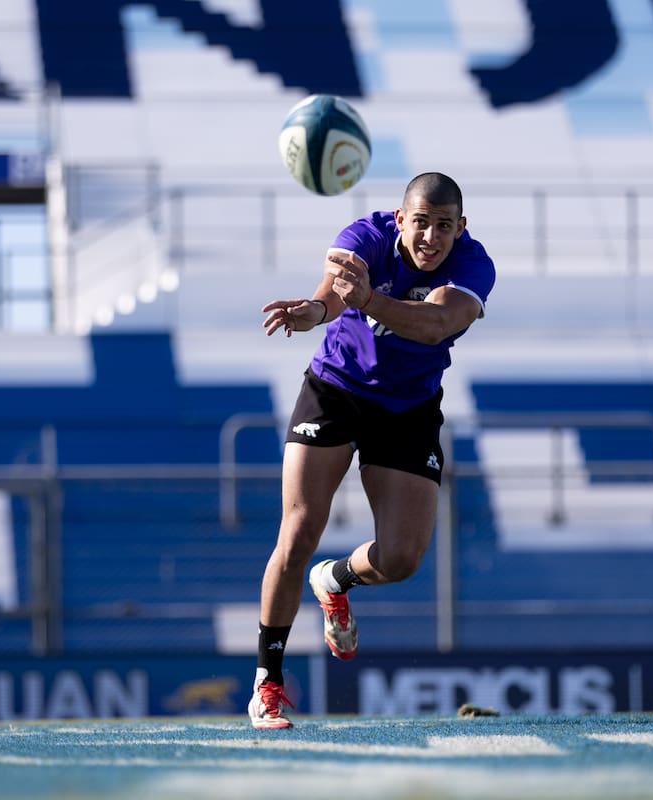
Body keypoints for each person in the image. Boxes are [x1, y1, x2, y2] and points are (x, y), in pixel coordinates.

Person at [247, 172, 497, 729]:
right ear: (399, 219)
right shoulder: (365, 235)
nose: (431, 237)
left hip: (407, 407)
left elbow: (434, 326)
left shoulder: (474, 265)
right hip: (335, 389)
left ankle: (335, 579)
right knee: (299, 529)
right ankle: (268, 682)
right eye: (421, 223)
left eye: (444, 226)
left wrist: (371, 300)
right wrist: (312, 312)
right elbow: (329, 299)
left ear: (461, 228)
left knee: (402, 559)